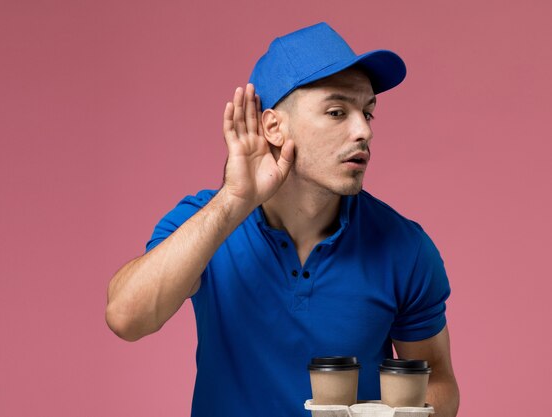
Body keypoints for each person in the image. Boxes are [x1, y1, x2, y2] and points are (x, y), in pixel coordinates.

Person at [106, 22, 459, 417]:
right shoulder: (206, 221)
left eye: (368, 113)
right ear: (274, 127)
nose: (363, 131)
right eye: (337, 112)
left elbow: (438, 380)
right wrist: (234, 200)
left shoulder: (404, 247)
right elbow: (125, 318)